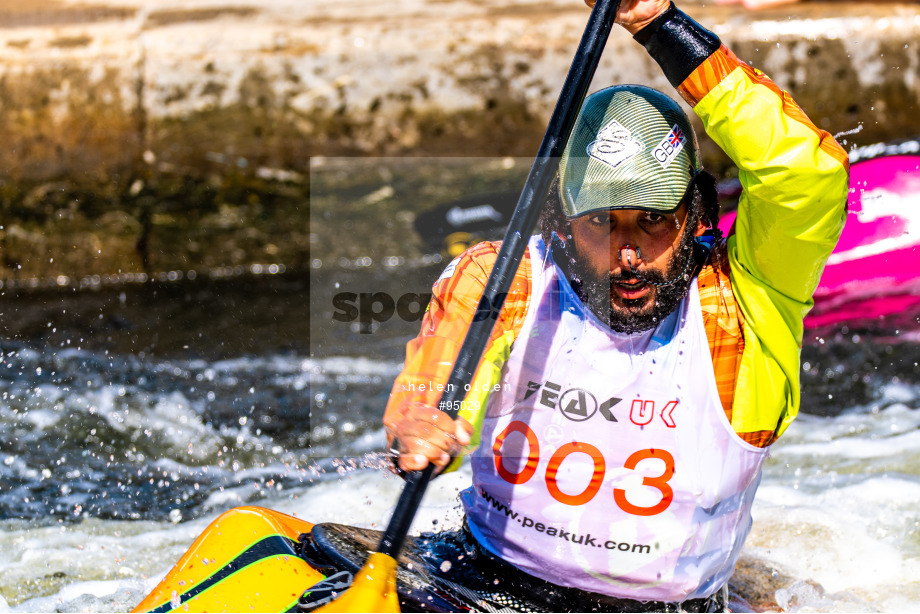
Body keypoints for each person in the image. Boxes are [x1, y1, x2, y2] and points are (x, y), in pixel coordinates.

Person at [383, 0, 848, 610]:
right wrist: (421, 424)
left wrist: (660, 25)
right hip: (478, 582)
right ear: (560, 221)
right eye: (602, 223)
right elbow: (439, 385)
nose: (628, 253)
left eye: (654, 221)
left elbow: (806, 176)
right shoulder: (506, 276)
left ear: (698, 214)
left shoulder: (749, 304)